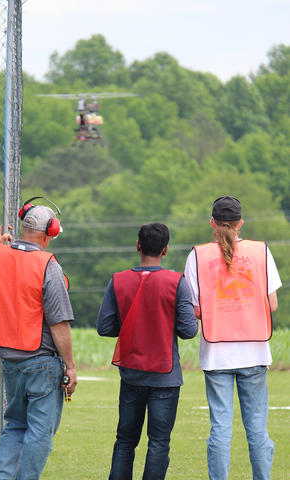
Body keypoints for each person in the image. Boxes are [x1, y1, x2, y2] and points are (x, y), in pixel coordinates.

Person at [0, 202, 77, 480]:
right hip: (42, 361)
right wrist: (71, 366)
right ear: (50, 232)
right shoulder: (47, 264)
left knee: (15, 425)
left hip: (9, 360)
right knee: (40, 432)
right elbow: (59, 322)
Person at [184, 195, 282, 480]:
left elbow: (195, 308)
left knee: (220, 429)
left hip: (217, 354)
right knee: (257, 429)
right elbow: (272, 304)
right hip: (255, 351)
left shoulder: (197, 256)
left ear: (212, 223)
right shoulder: (261, 251)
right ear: (241, 223)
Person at [97, 223, 198, 480]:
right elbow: (189, 331)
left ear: (138, 246)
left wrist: (132, 322)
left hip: (131, 374)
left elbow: (105, 327)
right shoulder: (177, 282)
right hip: (165, 377)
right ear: (165, 249)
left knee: (125, 441)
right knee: (158, 443)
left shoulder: (118, 280)